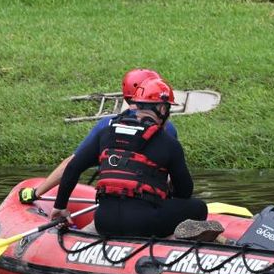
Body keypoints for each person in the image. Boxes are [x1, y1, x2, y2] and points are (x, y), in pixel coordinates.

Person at [50, 77, 207, 238]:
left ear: (137, 106)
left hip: (104, 222)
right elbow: (185, 192)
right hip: (144, 225)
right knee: (199, 207)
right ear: (161, 109)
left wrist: (60, 205)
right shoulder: (169, 143)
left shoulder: (106, 133)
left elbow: (73, 168)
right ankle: (172, 241)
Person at [18, 68, 177, 204]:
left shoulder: (107, 125)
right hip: (152, 204)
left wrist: (36, 193)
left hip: (111, 206)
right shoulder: (167, 127)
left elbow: (72, 165)